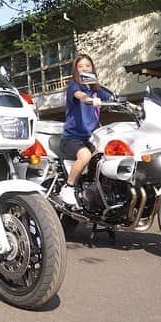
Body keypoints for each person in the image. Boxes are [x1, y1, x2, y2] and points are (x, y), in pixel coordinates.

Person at [58, 54, 113, 208]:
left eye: (87, 65)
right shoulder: (74, 86)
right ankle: (68, 187)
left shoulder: (95, 88)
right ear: (76, 69)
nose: (84, 68)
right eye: (80, 66)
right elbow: (80, 96)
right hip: (72, 138)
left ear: (92, 68)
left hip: (92, 138)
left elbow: (112, 97)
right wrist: (89, 100)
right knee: (85, 155)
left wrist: (132, 105)